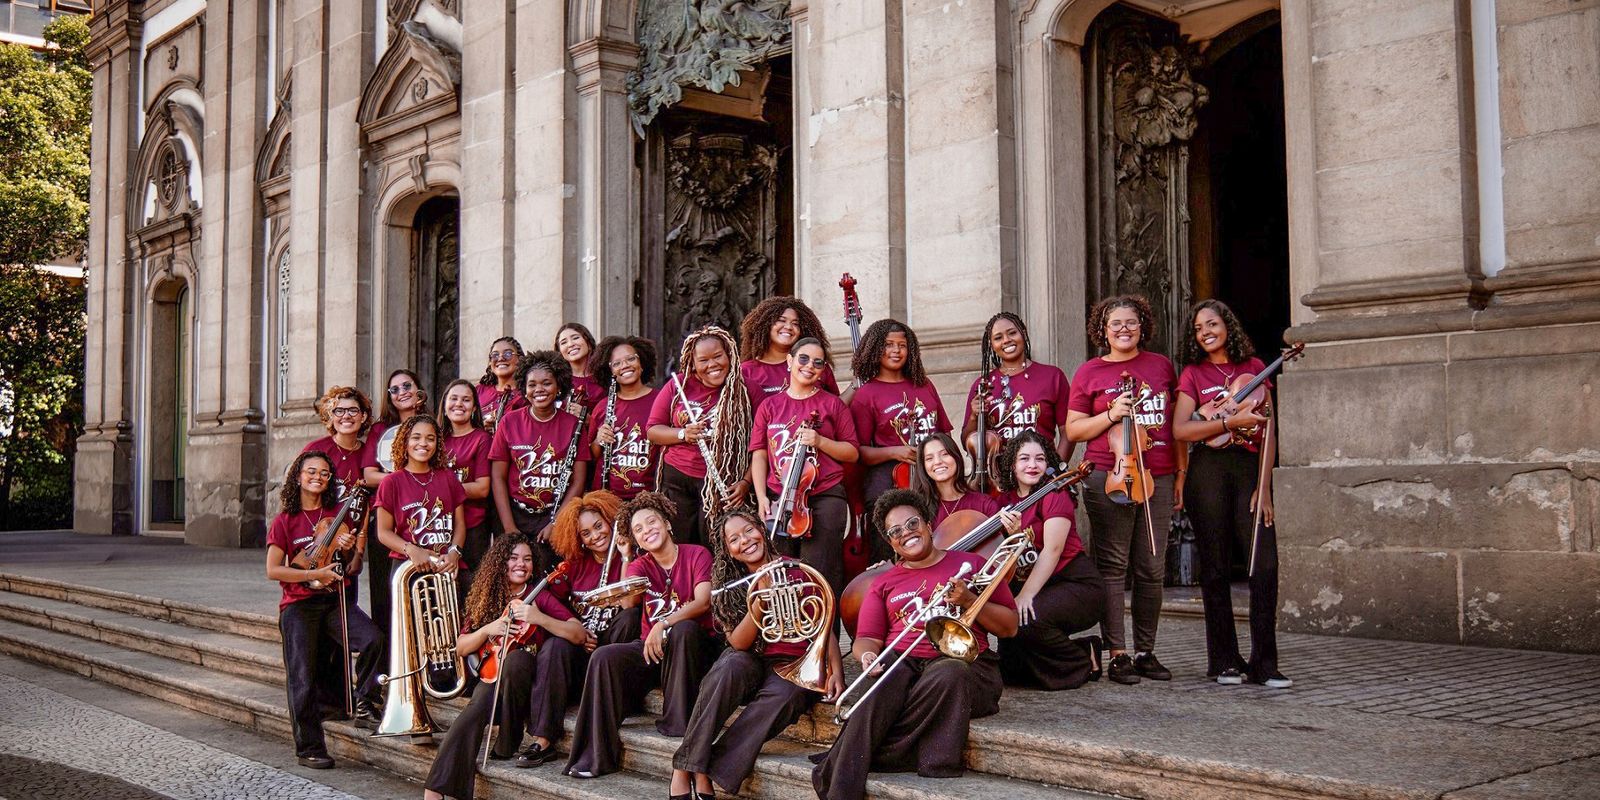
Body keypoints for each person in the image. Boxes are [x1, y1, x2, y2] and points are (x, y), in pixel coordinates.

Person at [811, 489, 1017, 800]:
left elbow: (1010, 626)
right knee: (884, 681)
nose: (906, 533)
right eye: (895, 532)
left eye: (912, 523)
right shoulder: (883, 582)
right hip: (907, 666)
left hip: (969, 668)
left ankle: (867, 754)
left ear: (928, 524)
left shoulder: (972, 564)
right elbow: (867, 638)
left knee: (949, 671)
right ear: (890, 542)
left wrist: (969, 600)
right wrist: (867, 655)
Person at [670, 507, 844, 799]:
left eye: (749, 530)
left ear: (762, 530)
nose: (745, 540)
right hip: (750, 658)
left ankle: (705, 768)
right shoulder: (728, 586)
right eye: (734, 539)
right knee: (729, 668)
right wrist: (761, 598)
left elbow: (823, 625)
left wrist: (836, 670)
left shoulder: (798, 571)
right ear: (729, 551)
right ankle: (686, 767)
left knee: (788, 694)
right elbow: (738, 643)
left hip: (793, 661)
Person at [1066, 294, 1185, 685]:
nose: (1123, 329)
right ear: (1103, 330)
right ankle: (1117, 653)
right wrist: (1111, 413)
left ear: (1142, 326)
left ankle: (1146, 651)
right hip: (1108, 474)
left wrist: (1180, 475)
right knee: (1114, 566)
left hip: (1157, 475)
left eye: (1131, 322)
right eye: (1115, 323)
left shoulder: (1161, 366)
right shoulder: (1090, 372)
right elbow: (1074, 430)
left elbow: (1175, 426)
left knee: (1151, 567)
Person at [1172, 299, 1290, 689]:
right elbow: (1181, 430)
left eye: (1212, 324)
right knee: (1216, 566)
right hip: (1208, 470)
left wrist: (1265, 487)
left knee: (1264, 564)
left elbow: (1269, 429)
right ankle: (1224, 659)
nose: (1205, 332)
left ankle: (1265, 662)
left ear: (1228, 326)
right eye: (1198, 328)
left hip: (1248, 468)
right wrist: (1226, 422)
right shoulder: (1193, 374)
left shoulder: (1254, 368)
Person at [564, 492, 722, 780]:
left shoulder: (696, 554)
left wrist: (663, 624)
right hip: (654, 649)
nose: (647, 530)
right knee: (603, 657)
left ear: (667, 524)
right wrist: (626, 556)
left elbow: (703, 602)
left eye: (652, 522)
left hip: (693, 649)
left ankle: (678, 725)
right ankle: (596, 755)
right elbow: (627, 603)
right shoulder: (640, 565)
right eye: (638, 529)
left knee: (684, 629)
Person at [422, 535, 578, 799]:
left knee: (517, 660)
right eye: (513, 558)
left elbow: (578, 632)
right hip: (492, 676)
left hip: (526, 686)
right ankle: (435, 791)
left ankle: (508, 740)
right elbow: (461, 647)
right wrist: (488, 629)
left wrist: (540, 618)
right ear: (500, 562)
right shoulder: (488, 597)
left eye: (527, 559)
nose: (521, 564)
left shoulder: (539, 596)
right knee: (472, 714)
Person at [266, 451, 384, 770]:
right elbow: (274, 570)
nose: (317, 477)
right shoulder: (284, 521)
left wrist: (345, 549)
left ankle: (365, 701)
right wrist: (313, 573)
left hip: (333, 601)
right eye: (310, 471)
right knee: (302, 677)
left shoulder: (336, 516)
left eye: (324, 473)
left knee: (372, 639)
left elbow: (339, 562)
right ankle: (309, 747)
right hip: (298, 606)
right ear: (298, 476)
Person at [511, 490, 644, 768]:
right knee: (554, 645)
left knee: (629, 618)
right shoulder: (573, 566)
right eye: (586, 533)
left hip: (613, 656)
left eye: (598, 526)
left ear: (610, 521)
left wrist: (625, 556)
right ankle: (543, 739)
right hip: (583, 650)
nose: (595, 536)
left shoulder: (633, 556)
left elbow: (628, 602)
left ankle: (614, 696)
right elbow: (557, 608)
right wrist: (578, 633)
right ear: (579, 539)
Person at [994, 430, 1106, 689]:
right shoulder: (1005, 501)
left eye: (1040, 458)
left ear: (1049, 463)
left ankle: (1082, 658)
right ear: (1012, 464)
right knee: (1010, 664)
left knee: (1026, 620)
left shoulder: (1055, 493)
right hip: (1040, 584)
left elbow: (1052, 551)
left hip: (1074, 583)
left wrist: (1025, 595)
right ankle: (1076, 649)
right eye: (1024, 458)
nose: (1032, 465)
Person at [750, 337, 860, 596]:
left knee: (820, 570)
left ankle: (825, 623)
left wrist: (820, 441)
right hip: (780, 499)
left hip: (824, 496)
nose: (810, 366)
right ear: (789, 361)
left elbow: (852, 452)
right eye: (803, 358)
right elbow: (760, 454)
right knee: (781, 573)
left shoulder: (832, 404)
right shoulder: (770, 406)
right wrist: (762, 497)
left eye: (818, 363)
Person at [848, 319, 952, 562]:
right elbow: (859, 452)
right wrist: (895, 452)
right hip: (888, 476)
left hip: (930, 471)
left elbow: (944, 433)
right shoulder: (866, 394)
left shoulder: (924, 385)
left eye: (902, 345)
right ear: (875, 348)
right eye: (888, 345)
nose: (896, 351)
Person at [646, 326, 754, 548]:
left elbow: (762, 445)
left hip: (721, 481)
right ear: (692, 363)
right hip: (677, 479)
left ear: (729, 355)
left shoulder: (746, 389)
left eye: (718, 356)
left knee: (716, 545)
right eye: (703, 360)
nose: (712, 364)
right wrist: (683, 433)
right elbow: (653, 430)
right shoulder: (678, 385)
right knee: (679, 545)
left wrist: (746, 482)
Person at [489, 350, 592, 568]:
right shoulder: (509, 422)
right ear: (524, 388)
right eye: (532, 384)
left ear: (558, 386)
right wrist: (509, 528)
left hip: (554, 513)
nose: (539, 390)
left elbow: (578, 481)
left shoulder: (573, 425)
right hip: (514, 514)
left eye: (546, 383)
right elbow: (498, 477)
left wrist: (556, 522)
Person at [961, 312, 1075, 486]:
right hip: (998, 481)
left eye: (1012, 333)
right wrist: (973, 416)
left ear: (1023, 332)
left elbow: (1068, 433)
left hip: (1041, 475)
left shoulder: (1052, 376)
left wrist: (1055, 472)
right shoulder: (982, 385)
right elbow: (967, 442)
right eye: (998, 338)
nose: (1006, 340)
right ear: (991, 345)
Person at [362, 368, 430, 629]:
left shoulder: (431, 423)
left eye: (407, 386)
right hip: (387, 516)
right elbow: (369, 475)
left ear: (418, 389)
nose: (402, 392)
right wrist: (403, 478)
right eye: (394, 389)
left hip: (424, 517)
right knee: (384, 592)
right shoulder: (380, 429)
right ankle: (389, 650)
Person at [374, 415, 467, 595]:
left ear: (437, 444)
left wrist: (455, 552)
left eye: (430, 438)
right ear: (405, 441)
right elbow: (383, 532)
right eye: (416, 437)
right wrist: (412, 550)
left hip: (446, 566)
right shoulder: (391, 482)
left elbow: (460, 523)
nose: (423, 443)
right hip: (408, 566)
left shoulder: (448, 477)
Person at [587, 335, 661, 500]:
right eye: (616, 363)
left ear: (642, 362)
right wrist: (599, 440)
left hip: (648, 497)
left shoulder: (661, 400)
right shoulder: (602, 407)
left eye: (631, 359)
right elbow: (590, 457)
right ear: (610, 371)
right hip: (607, 497)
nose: (625, 365)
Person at [737, 296, 841, 409]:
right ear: (765, 325)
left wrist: (853, 386)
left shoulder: (815, 365)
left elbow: (836, 408)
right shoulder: (746, 371)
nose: (789, 327)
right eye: (781, 320)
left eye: (795, 323)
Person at [437, 379, 494, 575]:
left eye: (466, 400)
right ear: (444, 406)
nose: (459, 404)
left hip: (473, 527)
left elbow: (482, 488)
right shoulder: (435, 439)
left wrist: (441, 488)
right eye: (453, 399)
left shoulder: (482, 439)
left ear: (475, 408)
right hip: (438, 526)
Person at [908, 432, 999, 529]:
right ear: (923, 466)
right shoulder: (918, 511)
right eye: (929, 458)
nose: (938, 462)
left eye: (945, 454)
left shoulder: (985, 504)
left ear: (956, 457)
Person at [476, 337, 527, 434]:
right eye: (495, 355)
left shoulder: (526, 395)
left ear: (520, 359)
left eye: (508, 354)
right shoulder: (478, 391)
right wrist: (480, 427)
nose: (500, 358)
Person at [556, 322, 602, 411]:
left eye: (575, 338)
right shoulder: (557, 380)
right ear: (560, 352)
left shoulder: (606, 375)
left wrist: (586, 417)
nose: (570, 344)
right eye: (564, 342)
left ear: (588, 343)